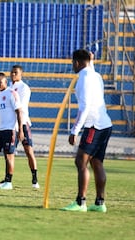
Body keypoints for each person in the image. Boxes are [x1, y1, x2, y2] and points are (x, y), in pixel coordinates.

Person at [61, 49, 112, 212]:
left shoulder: (83, 77)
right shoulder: (96, 75)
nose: (72, 66)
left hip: (94, 126)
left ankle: (80, 202)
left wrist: (74, 130)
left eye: (72, 63)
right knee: (97, 163)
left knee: (80, 162)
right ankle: (99, 203)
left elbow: (84, 107)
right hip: (105, 124)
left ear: (77, 62)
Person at [2, 65, 40, 189]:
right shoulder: (8, 88)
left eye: (15, 72)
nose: (13, 74)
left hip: (23, 123)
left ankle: (35, 179)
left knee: (28, 150)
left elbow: (20, 106)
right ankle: (7, 179)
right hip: (11, 125)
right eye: (11, 72)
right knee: (8, 152)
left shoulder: (24, 88)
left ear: (20, 74)